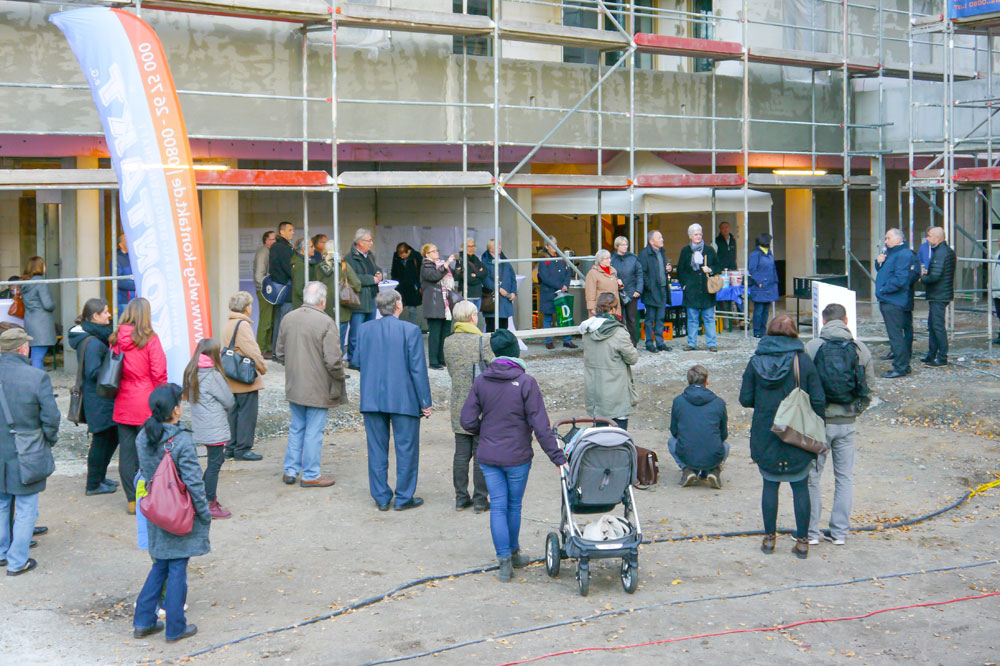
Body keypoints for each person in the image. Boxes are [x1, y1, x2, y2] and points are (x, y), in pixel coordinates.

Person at [460, 329, 568, 582]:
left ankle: (504, 561)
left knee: (498, 505)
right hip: (518, 455)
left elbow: (466, 420)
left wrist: (483, 431)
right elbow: (540, 426)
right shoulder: (526, 382)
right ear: (515, 352)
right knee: (513, 506)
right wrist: (558, 457)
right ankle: (514, 551)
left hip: (488, 454)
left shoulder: (481, 381)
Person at [739, 315, 825, 560]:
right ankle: (802, 542)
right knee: (800, 486)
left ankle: (769, 538)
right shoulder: (803, 361)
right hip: (797, 431)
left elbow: (745, 399)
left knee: (770, 484)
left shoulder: (755, 362)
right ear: (794, 333)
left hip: (766, 432)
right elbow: (818, 399)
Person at [133, 383, 209, 643]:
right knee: (177, 566)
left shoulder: (143, 435)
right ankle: (175, 627)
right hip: (179, 511)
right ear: (176, 410)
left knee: (161, 565)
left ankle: (143, 621)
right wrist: (203, 512)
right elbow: (194, 482)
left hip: (154, 509)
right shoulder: (182, 440)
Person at [804, 303, 875, 547]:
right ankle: (839, 533)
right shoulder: (860, 349)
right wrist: (855, 411)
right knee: (844, 478)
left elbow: (801, 386)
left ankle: (811, 533)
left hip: (818, 423)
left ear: (823, 322)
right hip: (847, 422)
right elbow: (870, 388)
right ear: (846, 320)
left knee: (812, 477)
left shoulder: (812, 347)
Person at [357, 290, 432, 511]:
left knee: (376, 449)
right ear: (398, 305)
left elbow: (357, 360)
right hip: (403, 398)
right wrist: (425, 401)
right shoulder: (410, 330)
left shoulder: (364, 329)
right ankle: (403, 497)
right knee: (406, 448)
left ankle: (381, 497)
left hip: (372, 397)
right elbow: (418, 369)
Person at [0, 327, 60, 576]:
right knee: (26, 506)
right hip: (27, 449)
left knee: (2, 503)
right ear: (22, 348)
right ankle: (17, 561)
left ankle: (2, 553)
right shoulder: (36, 376)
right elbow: (51, 417)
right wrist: (49, 439)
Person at [275, 281, 344, 488]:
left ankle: (290, 470)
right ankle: (311, 474)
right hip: (317, 385)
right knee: (314, 431)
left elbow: (279, 353)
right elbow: (333, 360)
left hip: (294, 383)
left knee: (297, 427)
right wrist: (340, 377)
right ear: (323, 301)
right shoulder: (326, 322)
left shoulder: (288, 318)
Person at [112, 298, 168, 515]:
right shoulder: (150, 339)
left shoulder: (115, 338)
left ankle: (132, 500)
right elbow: (159, 372)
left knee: (126, 454)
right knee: (150, 451)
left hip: (123, 399)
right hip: (146, 401)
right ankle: (150, 495)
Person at [442, 300, 493, 513]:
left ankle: (461, 498)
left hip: (458, 402)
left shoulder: (448, 342)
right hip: (481, 403)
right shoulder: (483, 341)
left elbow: (451, 370)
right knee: (481, 452)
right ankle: (480, 499)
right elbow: (493, 367)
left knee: (461, 453)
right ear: (473, 317)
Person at [68, 298, 120, 495]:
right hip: (98, 399)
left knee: (110, 438)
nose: (109, 315)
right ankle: (93, 484)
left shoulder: (93, 336)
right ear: (95, 316)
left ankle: (100, 478)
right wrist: (115, 368)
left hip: (100, 398)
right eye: (105, 312)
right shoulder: (92, 342)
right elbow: (93, 372)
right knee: (102, 441)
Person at [182, 339, 234, 519]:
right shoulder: (212, 375)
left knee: (214, 461)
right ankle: (208, 503)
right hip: (215, 426)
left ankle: (201, 499)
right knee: (215, 462)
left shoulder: (191, 372)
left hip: (201, 425)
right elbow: (229, 400)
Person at [580, 292, 638, 430]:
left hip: (595, 390)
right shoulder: (618, 332)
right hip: (616, 390)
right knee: (619, 436)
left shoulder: (587, 330)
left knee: (600, 433)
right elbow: (632, 358)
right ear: (613, 309)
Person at [221, 292, 267, 462]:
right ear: (247, 307)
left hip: (232, 375)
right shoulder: (243, 325)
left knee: (234, 413)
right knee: (247, 414)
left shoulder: (229, 323)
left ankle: (231, 446)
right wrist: (262, 367)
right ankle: (243, 449)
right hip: (244, 377)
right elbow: (251, 350)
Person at [669, 364, 729, 489]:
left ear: (688, 381)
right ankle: (714, 470)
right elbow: (723, 434)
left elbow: (674, 431)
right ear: (707, 381)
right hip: (713, 453)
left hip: (687, 451)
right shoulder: (719, 402)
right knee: (725, 445)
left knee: (671, 441)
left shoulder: (678, 401)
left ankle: (687, 469)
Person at [875, 228, 919, 378]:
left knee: (896, 335)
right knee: (895, 334)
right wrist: (878, 263)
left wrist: (883, 289)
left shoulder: (903, 254)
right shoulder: (892, 253)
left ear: (898, 239)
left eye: (888, 238)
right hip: (889, 298)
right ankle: (903, 365)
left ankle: (900, 367)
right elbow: (886, 271)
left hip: (892, 299)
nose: (885, 241)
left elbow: (900, 279)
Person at [677, 223, 721, 352]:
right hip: (691, 290)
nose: (698, 236)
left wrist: (711, 269)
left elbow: (718, 266)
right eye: (695, 234)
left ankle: (711, 343)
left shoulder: (709, 250)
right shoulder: (686, 251)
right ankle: (691, 343)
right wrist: (685, 285)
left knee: (709, 318)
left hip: (706, 290)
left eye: (700, 234)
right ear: (690, 236)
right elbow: (681, 270)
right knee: (692, 319)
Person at [344, 228, 382, 370]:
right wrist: (372, 279)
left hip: (371, 298)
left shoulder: (370, 256)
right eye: (369, 240)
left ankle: (365, 359)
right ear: (360, 242)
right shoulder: (349, 258)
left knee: (369, 333)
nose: (371, 243)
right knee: (356, 333)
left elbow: (375, 269)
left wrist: (379, 273)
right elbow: (354, 278)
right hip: (358, 300)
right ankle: (353, 360)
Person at [919, 226, 956, 367]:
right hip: (940, 294)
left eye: (929, 236)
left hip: (939, 295)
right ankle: (932, 354)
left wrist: (922, 279)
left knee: (937, 326)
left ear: (938, 237)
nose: (927, 239)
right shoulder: (944, 251)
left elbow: (935, 275)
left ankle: (941, 357)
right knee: (933, 325)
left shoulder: (941, 253)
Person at [316, 248, 361, 354]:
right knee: (338, 340)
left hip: (323, 309)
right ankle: (337, 362)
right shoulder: (343, 266)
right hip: (341, 309)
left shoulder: (318, 267)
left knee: (323, 338)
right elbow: (357, 284)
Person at [420, 243, 456, 370]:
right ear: (427, 254)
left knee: (445, 332)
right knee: (435, 333)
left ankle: (442, 358)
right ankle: (434, 361)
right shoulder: (426, 265)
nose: (436, 253)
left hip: (444, 304)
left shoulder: (440, 264)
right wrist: (446, 264)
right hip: (434, 304)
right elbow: (434, 276)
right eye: (433, 251)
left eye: (437, 250)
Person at [537, 237, 576, 350]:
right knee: (548, 318)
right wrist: (560, 286)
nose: (555, 246)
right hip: (549, 293)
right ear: (546, 246)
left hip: (562, 292)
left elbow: (568, 272)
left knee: (564, 317)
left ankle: (567, 340)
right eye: (552, 244)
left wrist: (566, 285)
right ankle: (548, 340)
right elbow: (544, 277)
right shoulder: (544, 259)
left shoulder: (561, 257)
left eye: (556, 243)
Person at [637, 230, 673, 353]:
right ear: (651, 241)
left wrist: (668, 270)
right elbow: (643, 273)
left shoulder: (662, 253)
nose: (662, 239)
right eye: (659, 237)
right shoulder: (644, 254)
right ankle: (649, 343)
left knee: (661, 318)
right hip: (651, 291)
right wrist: (650, 287)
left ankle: (660, 342)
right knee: (650, 318)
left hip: (662, 289)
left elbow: (661, 270)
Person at [20, 256, 56, 370]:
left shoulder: (25, 283)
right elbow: (48, 304)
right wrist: (54, 303)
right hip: (41, 323)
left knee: (35, 355)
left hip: (30, 321)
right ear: (39, 267)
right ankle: (38, 383)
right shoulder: (40, 282)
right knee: (38, 357)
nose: (45, 267)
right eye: (44, 265)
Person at [611, 235, 644, 346]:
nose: (625, 247)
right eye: (622, 245)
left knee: (632, 320)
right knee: (618, 320)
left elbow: (639, 274)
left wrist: (638, 290)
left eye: (626, 244)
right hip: (617, 294)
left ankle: (633, 344)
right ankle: (619, 344)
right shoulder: (612, 259)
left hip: (631, 293)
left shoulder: (633, 258)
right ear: (617, 246)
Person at [269, 221, 296, 353]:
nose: (293, 232)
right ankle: (280, 352)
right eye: (290, 230)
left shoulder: (276, 247)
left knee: (279, 320)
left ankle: (276, 350)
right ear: (282, 232)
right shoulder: (283, 248)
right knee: (284, 321)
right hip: (286, 289)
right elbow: (288, 268)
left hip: (279, 290)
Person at [747, 233, 779, 338]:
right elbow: (752, 270)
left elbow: (773, 268)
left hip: (769, 285)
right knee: (759, 310)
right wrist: (759, 281)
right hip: (760, 285)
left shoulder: (769, 253)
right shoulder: (755, 254)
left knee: (766, 310)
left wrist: (775, 281)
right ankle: (757, 331)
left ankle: (763, 329)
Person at [451, 238, 488, 327]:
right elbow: (468, 279)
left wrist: (475, 275)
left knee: (475, 318)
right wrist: (479, 274)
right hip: (467, 294)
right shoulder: (461, 260)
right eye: (468, 246)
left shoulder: (475, 258)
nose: (471, 248)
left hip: (477, 294)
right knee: (466, 318)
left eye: (473, 246)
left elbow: (485, 272)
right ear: (463, 247)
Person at [482, 239, 517, 332]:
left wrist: (513, 292)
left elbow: (513, 277)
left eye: (500, 245)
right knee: (491, 328)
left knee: (504, 327)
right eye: (497, 246)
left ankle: (501, 346)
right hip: (492, 301)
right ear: (491, 249)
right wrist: (498, 289)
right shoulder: (485, 262)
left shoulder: (505, 261)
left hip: (505, 301)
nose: (500, 247)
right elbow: (485, 280)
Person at [254, 231, 276, 359]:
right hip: (264, 290)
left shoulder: (267, 252)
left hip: (266, 289)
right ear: (266, 241)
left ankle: (266, 347)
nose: (274, 242)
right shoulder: (263, 253)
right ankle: (261, 348)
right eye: (272, 239)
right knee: (266, 320)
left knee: (269, 319)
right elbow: (259, 275)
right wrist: (266, 288)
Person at [391, 242, 423, 327]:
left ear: (408, 251)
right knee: (397, 309)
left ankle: (414, 329)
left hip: (413, 287)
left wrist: (419, 285)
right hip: (400, 287)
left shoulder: (416, 256)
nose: (401, 257)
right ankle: (397, 328)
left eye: (403, 255)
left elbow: (421, 272)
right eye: (400, 256)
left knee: (412, 310)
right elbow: (393, 271)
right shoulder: (396, 256)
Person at [584, 249, 621, 317]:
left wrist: (620, 285)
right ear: (600, 260)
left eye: (610, 258)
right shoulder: (593, 273)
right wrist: (592, 308)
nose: (609, 260)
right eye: (606, 258)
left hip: (614, 307)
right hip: (601, 308)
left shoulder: (613, 271)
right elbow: (590, 292)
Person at [290, 238, 319, 310]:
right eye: (311, 246)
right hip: (304, 306)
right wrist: (311, 301)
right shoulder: (300, 266)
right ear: (304, 249)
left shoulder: (304, 263)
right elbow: (299, 289)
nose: (314, 248)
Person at [115, 235, 137, 314]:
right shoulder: (116, 259)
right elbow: (118, 281)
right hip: (124, 301)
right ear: (120, 245)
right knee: (126, 324)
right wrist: (137, 285)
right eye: (127, 241)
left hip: (138, 300)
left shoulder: (135, 257)